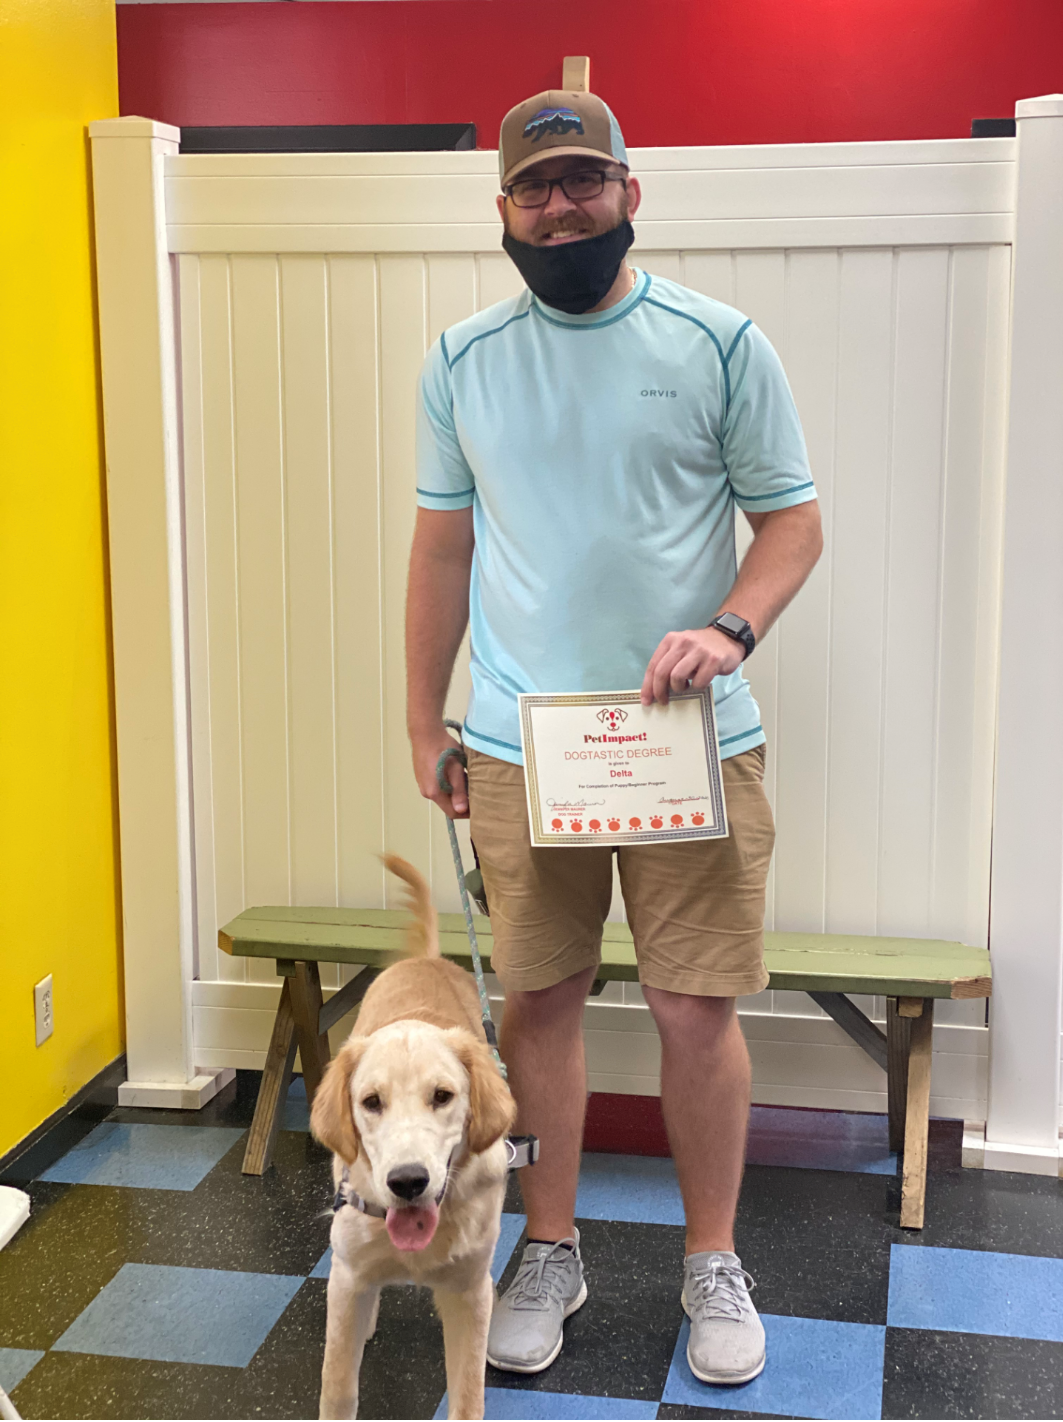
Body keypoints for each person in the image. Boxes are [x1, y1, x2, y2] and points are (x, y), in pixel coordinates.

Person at [406, 88, 822, 1386]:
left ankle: (711, 1261)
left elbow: (791, 524)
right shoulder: (463, 359)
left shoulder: (718, 342)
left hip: (686, 738)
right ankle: (549, 1246)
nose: (561, 204)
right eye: (537, 187)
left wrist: (730, 630)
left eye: (584, 179)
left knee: (696, 1007)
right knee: (538, 1003)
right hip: (524, 745)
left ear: (629, 192)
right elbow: (442, 546)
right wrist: (424, 717)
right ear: (505, 213)